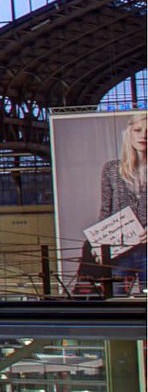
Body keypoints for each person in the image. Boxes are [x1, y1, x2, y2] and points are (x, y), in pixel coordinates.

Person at [71, 113, 147, 297]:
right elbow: (105, 210)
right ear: (129, 133)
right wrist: (99, 244)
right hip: (120, 251)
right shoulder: (111, 169)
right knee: (116, 300)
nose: (143, 135)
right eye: (138, 130)